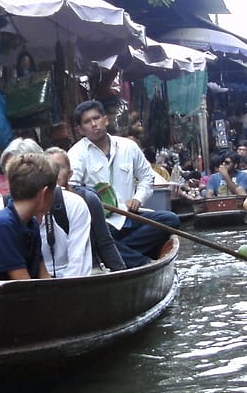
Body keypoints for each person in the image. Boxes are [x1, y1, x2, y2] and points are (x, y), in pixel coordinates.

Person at [66, 99, 181, 268]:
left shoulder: (128, 147)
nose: (94, 124)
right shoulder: (76, 153)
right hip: (102, 224)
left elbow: (147, 177)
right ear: (80, 129)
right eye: (87, 122)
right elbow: (72, 189)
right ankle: (142, 262)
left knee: (170, 220)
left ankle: (119, 253)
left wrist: (138, 198)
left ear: (105, 120)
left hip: (130, 215)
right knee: (95, 238)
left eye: (96, 118)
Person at [0, 150, 58, 285]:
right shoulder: (2, 226)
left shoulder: (30, 223)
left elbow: (43, 275)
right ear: (44, 194)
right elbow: (24, 283)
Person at [46, 145, 125, 272]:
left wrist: (121, 273)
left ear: (70, 173)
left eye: (59, 168)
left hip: (88, 268)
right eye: (50, 168)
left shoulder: (88, 199)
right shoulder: (38, 201)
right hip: (51, 271)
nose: (55, 173)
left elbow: (104, 242)